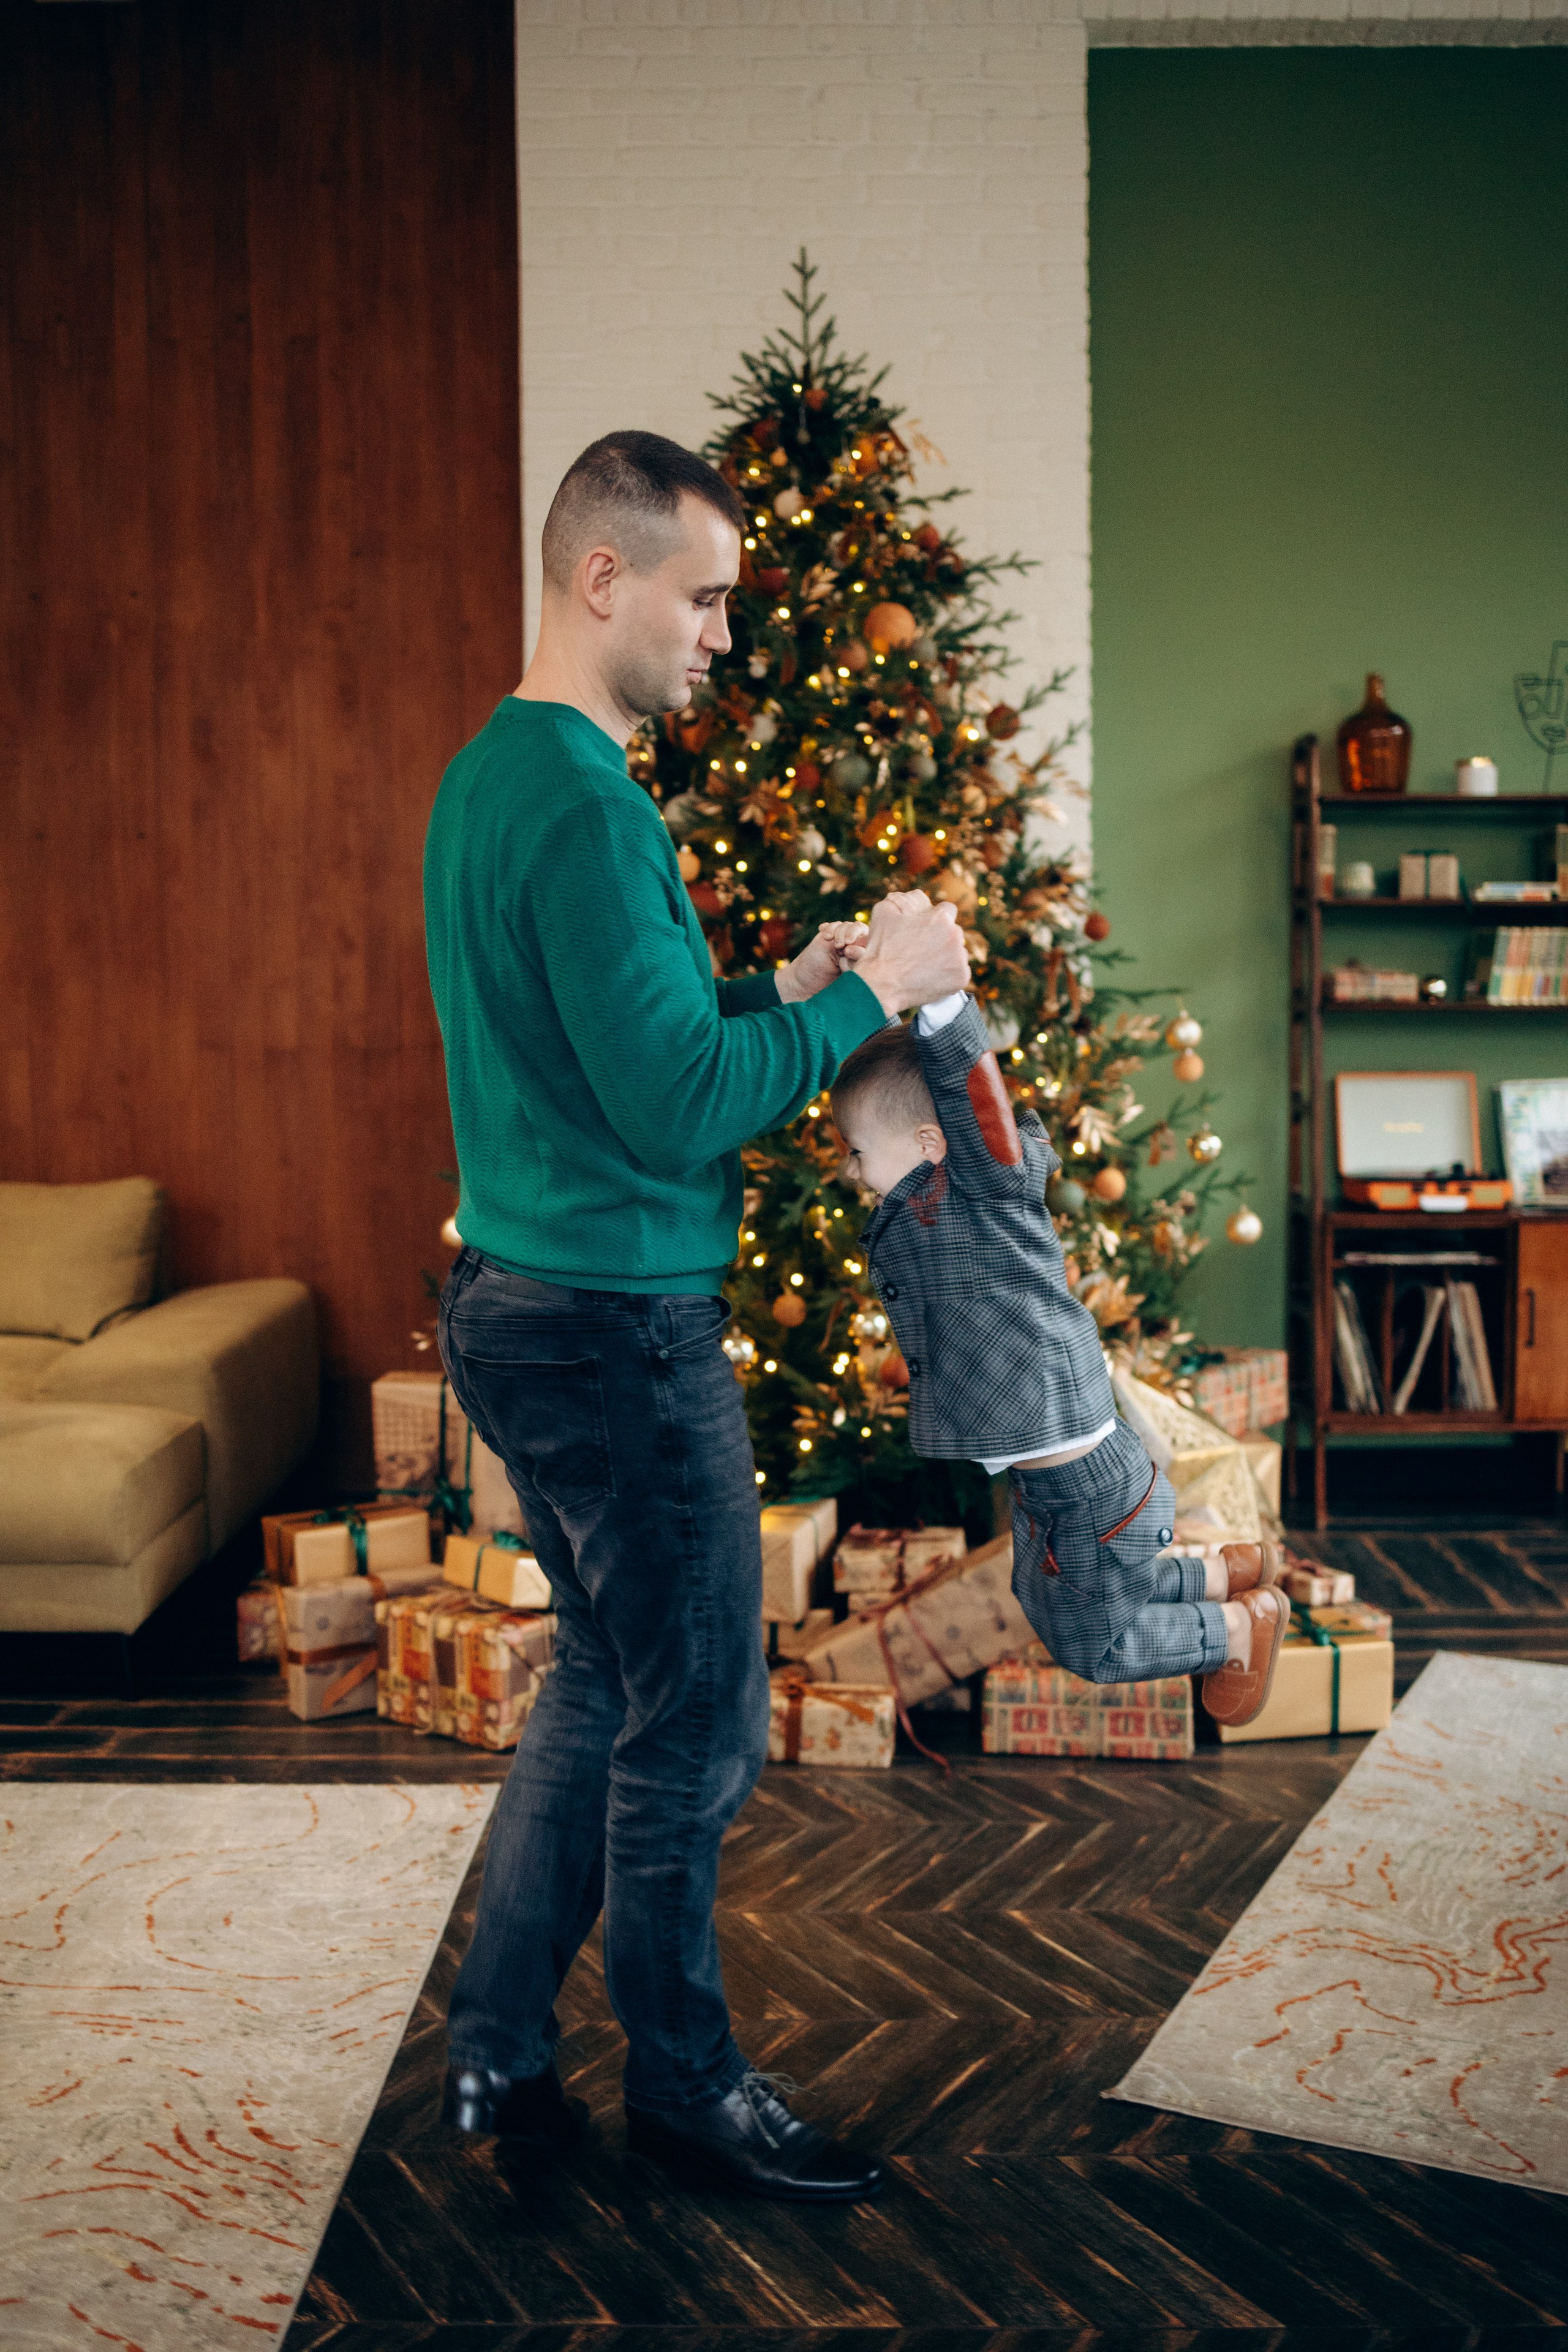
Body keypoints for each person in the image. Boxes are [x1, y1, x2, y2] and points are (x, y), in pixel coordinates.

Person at [422, 430, 970, 2202]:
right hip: (614, 1329)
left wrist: (782, 987)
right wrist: (874, 992)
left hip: (516, 1297)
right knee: (700, 1727)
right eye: (707, 597)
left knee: (601, 1689)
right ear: (605, 580)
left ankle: (501, 2059)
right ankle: (686, 2090)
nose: (726, 634)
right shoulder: (585, 802)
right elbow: (669, 1104)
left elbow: (614, 1035)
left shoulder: (496, 777)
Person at [826, 929, 1291, 1730]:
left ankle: (1236, 1629)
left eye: (859, 1149)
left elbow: (978, 1108)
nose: (851, 1169)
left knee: (1093, 1646)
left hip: (1092, 1488)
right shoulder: (928, 1210)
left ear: (933, 1145)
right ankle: (1219, 1577)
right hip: (1057, 1485)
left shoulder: (986, 1189)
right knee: (1044, 1601)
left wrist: (940, 1003)